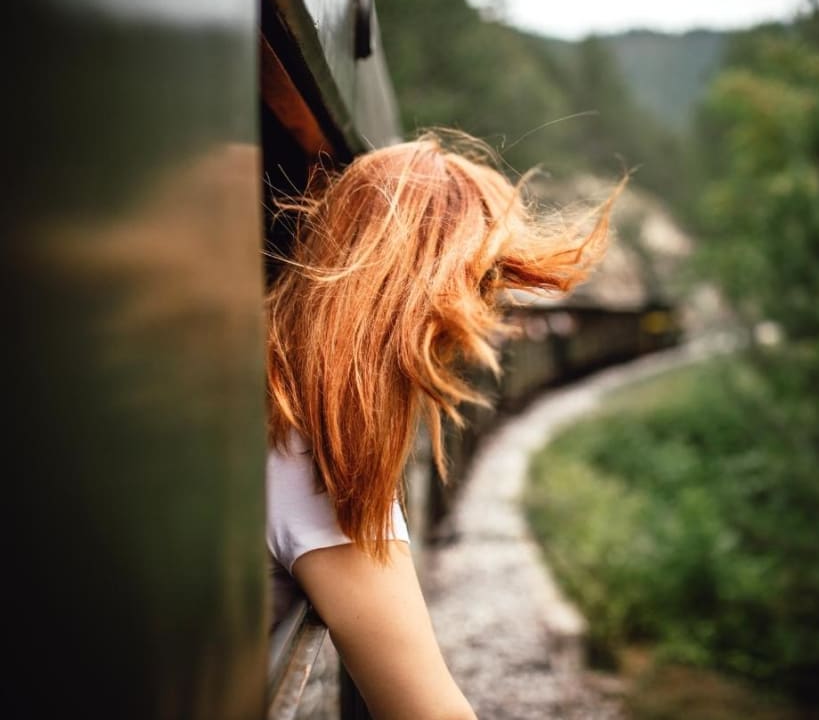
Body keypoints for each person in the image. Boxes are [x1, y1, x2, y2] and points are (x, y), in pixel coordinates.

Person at [263, 130, 623, 720]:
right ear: (421, 293)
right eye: (482, 285)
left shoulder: (257, 378)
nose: (484, 319)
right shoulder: (316, 450)